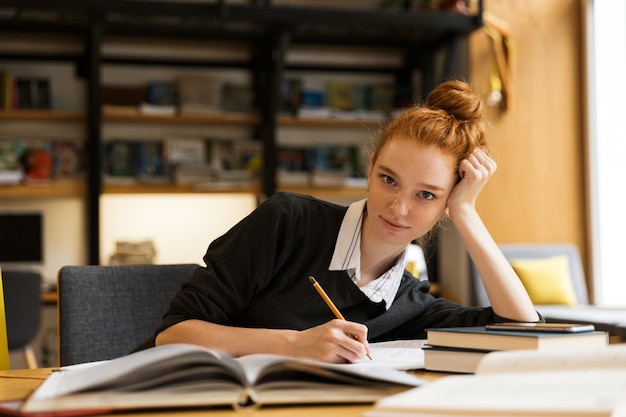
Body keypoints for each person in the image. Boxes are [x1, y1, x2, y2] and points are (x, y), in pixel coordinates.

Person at [148, 80, 540, 363]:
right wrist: (293, 344)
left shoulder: (408, 302)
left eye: (426, 195)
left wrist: (468, 214)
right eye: (388, 180)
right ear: (369, 170)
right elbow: (172, 334)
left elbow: (521, 331)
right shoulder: (287, 222)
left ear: (447, 204)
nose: (398, 208)